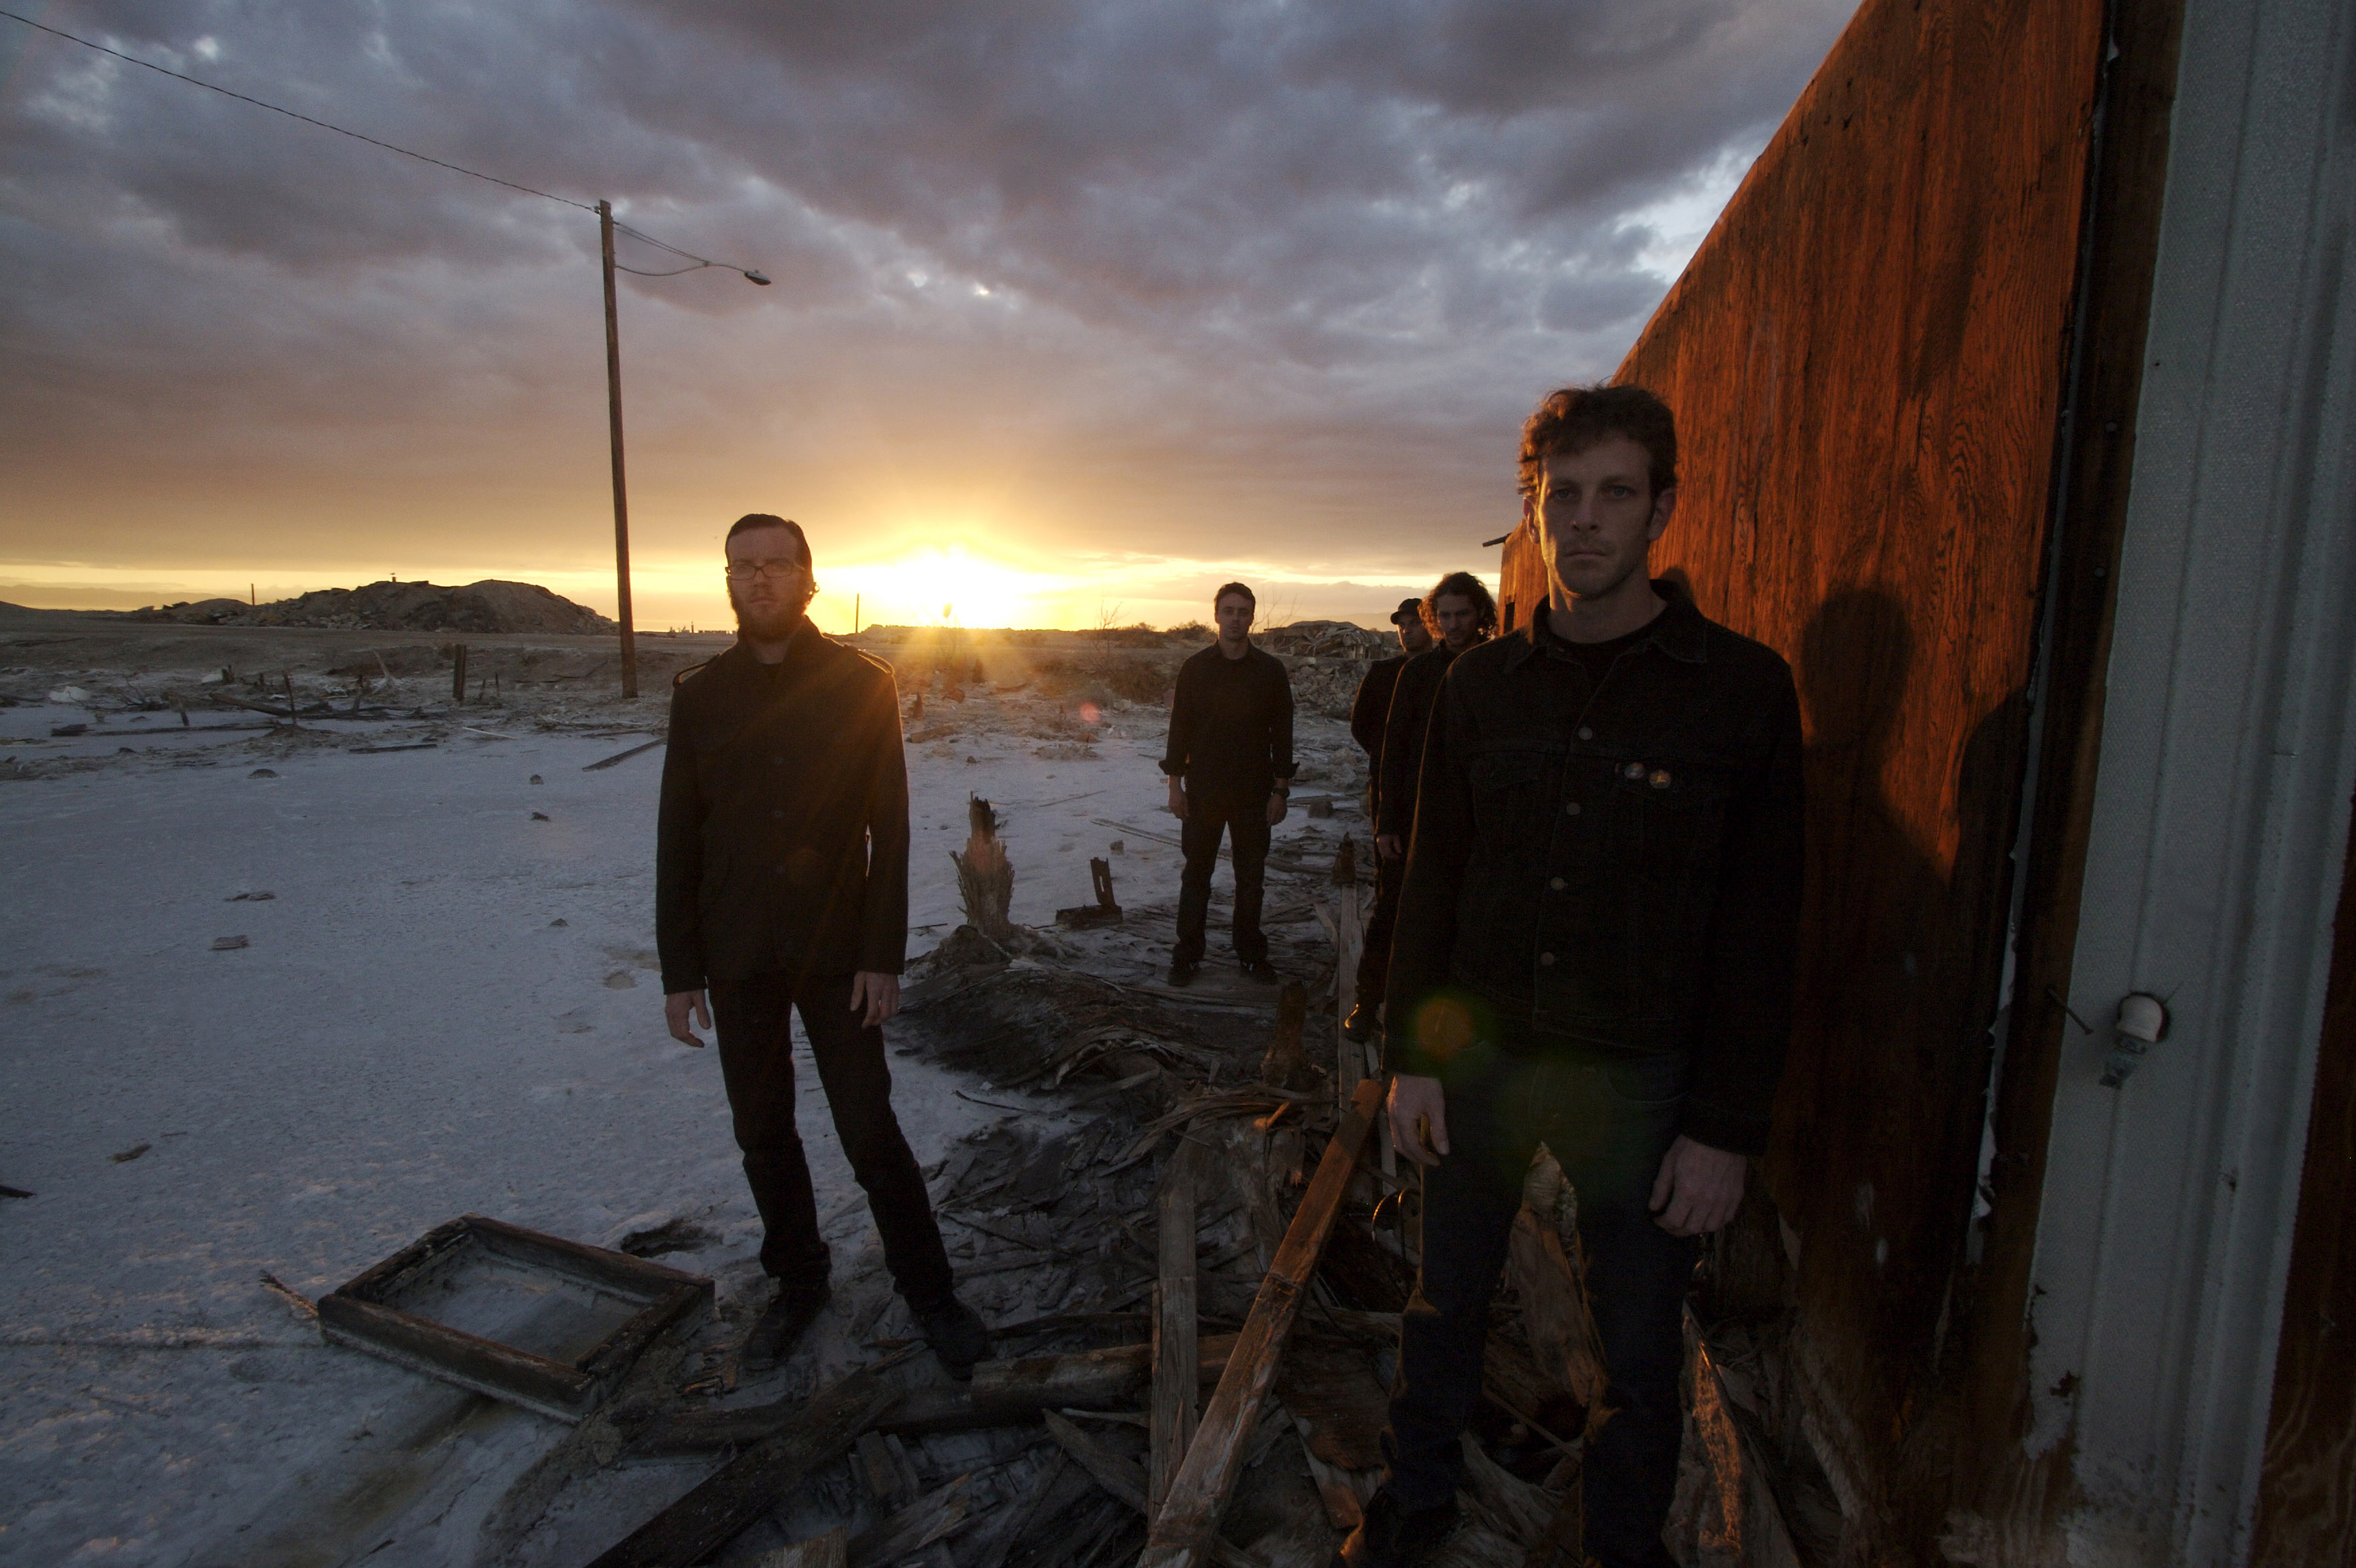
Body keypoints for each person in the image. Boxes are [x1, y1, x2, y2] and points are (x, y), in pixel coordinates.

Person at [1345, 387, 1804, 1568]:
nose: (1586, 520)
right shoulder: (1478, 687)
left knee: (1639, 1352)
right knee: (1445, 1305)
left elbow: (1761, 929)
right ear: (1534, 511)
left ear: (1663, 507)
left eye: (1616, 493)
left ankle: (1620, 1549)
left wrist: (1724, 1131)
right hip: (1482, 1059)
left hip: (1638, 1076)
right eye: (1563, 497)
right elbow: (1432, 885)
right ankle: (1412, 1510)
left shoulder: (1741, 691)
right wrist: (1412, 1059)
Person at [656, 514, 990, 1378]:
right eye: (743, 566)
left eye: (777, 564)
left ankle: (931, 1293)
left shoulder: (861, 684)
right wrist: (680, 971)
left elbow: (892, 830)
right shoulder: (700, 695)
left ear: (809, 579)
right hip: (737, 950)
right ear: (728, 581)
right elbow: (678, 839)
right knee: (762, 1131)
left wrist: (883, 955)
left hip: (839, 950)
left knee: (868, 1129)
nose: (760, 578)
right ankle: (799, 1283)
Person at [1348, 574, 1497, 1041]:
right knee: (1393, 909)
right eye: (1445, 616)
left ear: (1480, 615)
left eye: (1463, 615)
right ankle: (1368, 1001)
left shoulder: (1498, 671)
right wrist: (1386, 822)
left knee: (1468, 918)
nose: (1454, 625)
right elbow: (1390, 751)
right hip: (1413, 815)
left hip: (1475, 817)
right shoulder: (1416, 674)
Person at [1160, 582, 1295, 985]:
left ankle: (1251, 954)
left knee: (1250, 879)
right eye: (1229, 611)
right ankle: (1187, 955)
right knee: (1196, 876)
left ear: (1253, 617)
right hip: (1204, 791)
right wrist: (1174, 785)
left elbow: (1282, 734)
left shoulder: (1270, 671)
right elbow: (1179, 730)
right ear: (1216, 615)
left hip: (1254, 792)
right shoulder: (1195, 668)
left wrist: (1280, 790)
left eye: (1243, 612)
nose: (1236, 619)